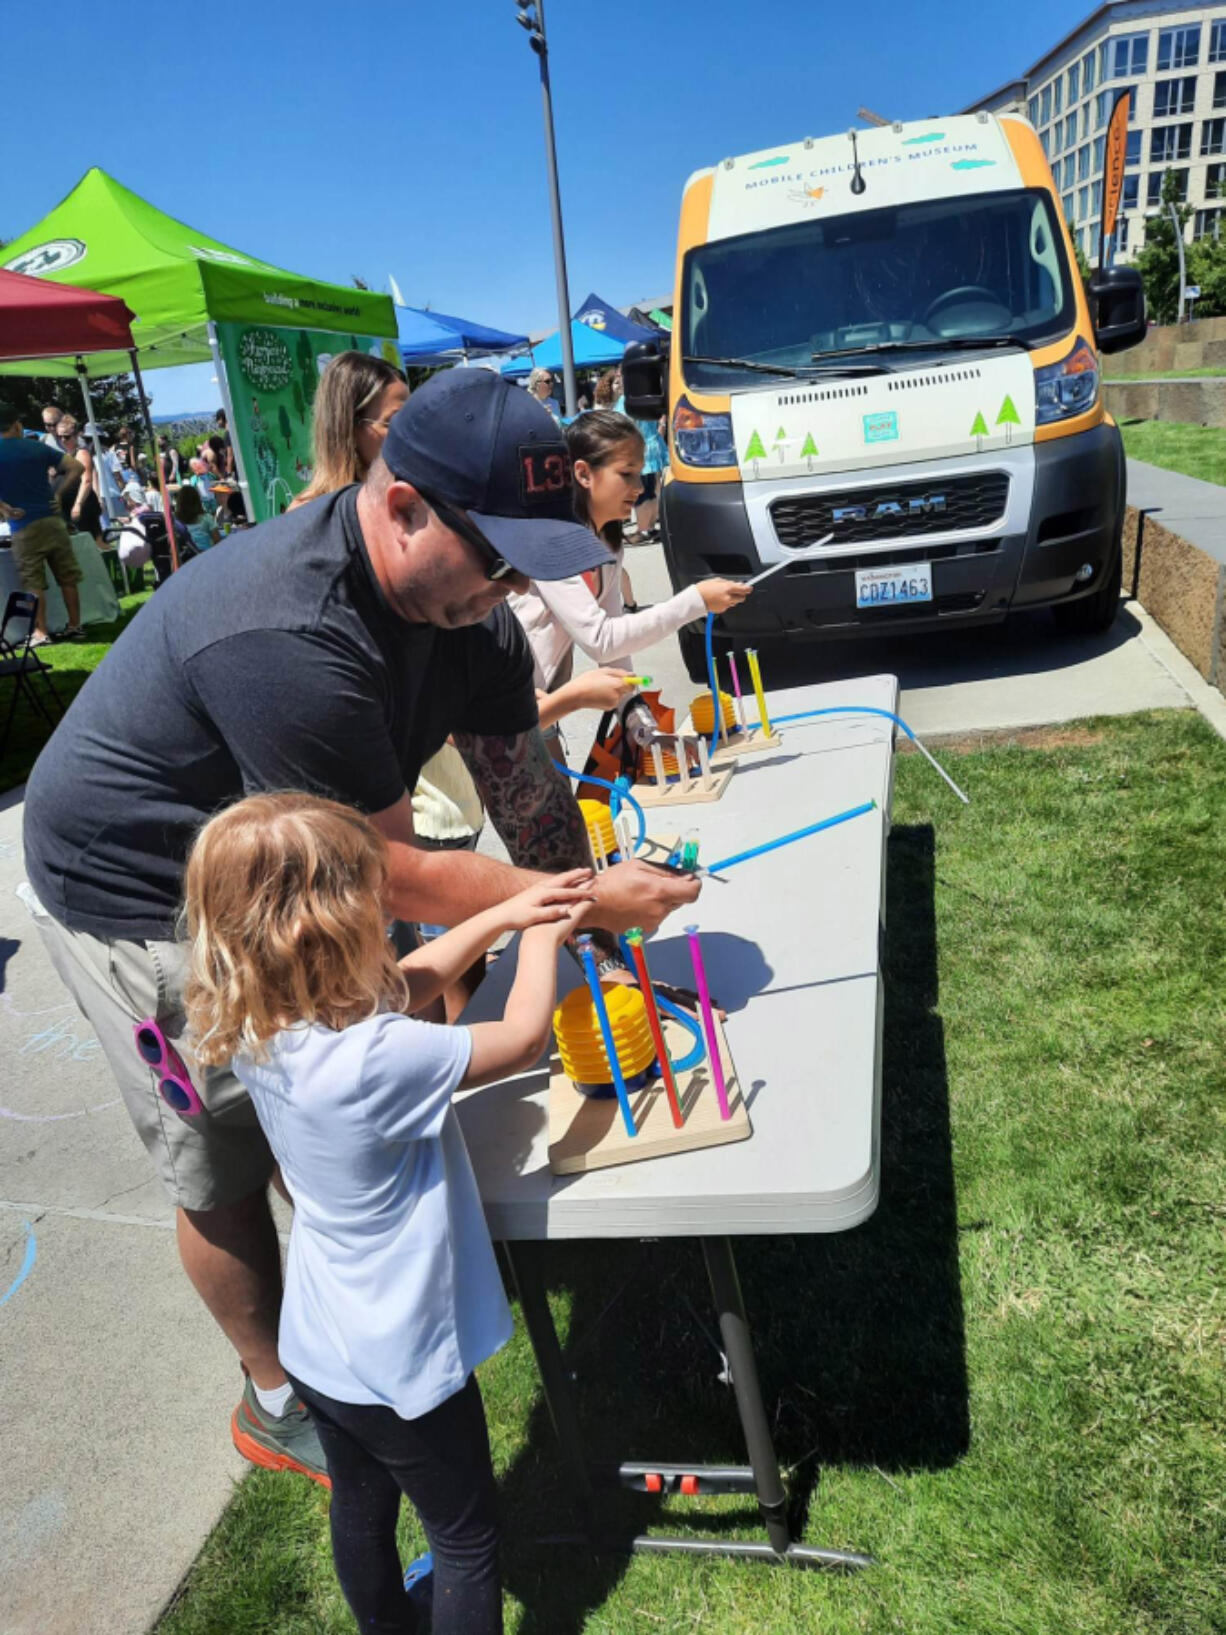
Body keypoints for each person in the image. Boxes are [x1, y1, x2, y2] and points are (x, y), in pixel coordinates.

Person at [22, 371, 699, 1486]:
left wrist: (593, 907)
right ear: (400, 508)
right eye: (497, 560)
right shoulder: (288, 628)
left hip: (286, 868)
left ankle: (361, 1323)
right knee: (227, 1154)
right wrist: (575, 907)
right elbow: (390, 870)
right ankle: (278, 1395)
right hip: (137, 889)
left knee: (335, 1108)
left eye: (529, 562)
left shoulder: (462, 599)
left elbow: (518, 777)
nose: (508, 587)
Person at [184, 794, 592, 1632]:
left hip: (322, 1345)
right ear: (332, 928)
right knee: (466, 1540)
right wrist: (544, 937)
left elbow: (409, 984)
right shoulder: (375, 1058)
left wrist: (505, 913)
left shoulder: (267, 1025)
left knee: (363, 1512)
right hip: (404, 1353)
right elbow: (518, 1038)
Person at [509, 409, 751, 718]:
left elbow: (615, 652)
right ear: (583, 474)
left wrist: (634, 714)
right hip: (492, 709)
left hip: (536, 705)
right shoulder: (554, 542)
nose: (638, 486)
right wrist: (695, 602)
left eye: (639, 473)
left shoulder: (607, 544)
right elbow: (601, 640)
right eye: (626, 474)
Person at [0, 403, 86, 643]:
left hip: (22, 523)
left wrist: (3, 508)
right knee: (67, 576)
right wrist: (58, 495)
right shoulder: (37, 447)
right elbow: (76, 468)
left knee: (33, 581)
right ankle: (75, 625)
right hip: (53, 519)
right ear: (17, 424)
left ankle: (41, 631)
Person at [55, 415, 103, 543]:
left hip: (83, 508)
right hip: (66, 508)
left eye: (66, 436)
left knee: (92, 544)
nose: (63, 440)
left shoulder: (81, 453)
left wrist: (78, 505)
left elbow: (87, 481)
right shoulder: (66, 455)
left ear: (76, 435)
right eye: (59, 437)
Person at [174, 482, 218, 552]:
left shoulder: (176, 522)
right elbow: (217, 541)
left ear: (179, 502)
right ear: (197, 500)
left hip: (188, 558)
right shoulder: (207, 518)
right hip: (207, 555)